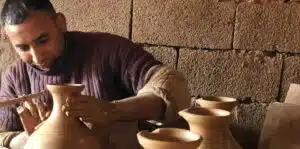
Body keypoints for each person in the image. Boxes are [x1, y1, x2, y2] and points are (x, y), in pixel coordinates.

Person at [0, 0, 190, 149]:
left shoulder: (107, 49)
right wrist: (29, 140)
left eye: (43, 40)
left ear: (60, 23)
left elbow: (174, 85)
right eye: (23, 48)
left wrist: (110, 110)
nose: (36, 56)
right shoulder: (16, 78)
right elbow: (2, 136)